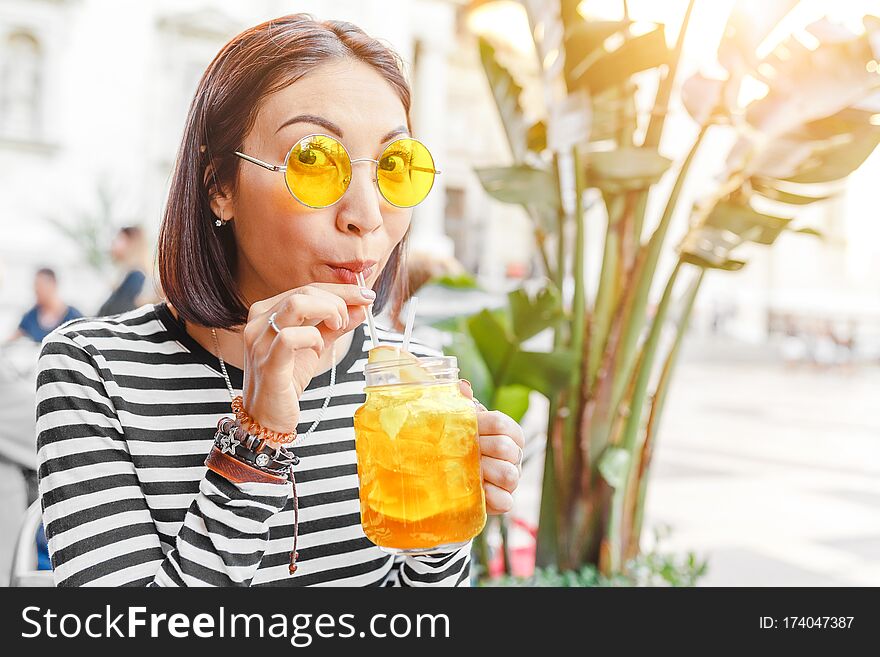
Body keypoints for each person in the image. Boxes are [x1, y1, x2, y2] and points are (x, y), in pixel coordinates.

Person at [35, 14, 525, 587]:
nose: (366, 216)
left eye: (395, 167)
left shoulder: (405, 383)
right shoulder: (92, 370)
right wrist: (256, 440)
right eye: (314, 162)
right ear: (220, 185)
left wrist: (438, 533)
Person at [7, 268, 81, 343]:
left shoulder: (74, 317)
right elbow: (12, 340)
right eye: (35, 286)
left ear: (53, 284)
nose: (36, 290)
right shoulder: (30, 316)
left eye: (40, 286)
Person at [96, 226, 152, 316]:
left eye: (120, 239)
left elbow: (118, 312)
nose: (113, 242)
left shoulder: (136, 277)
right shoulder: (128, 275)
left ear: (132, 243)